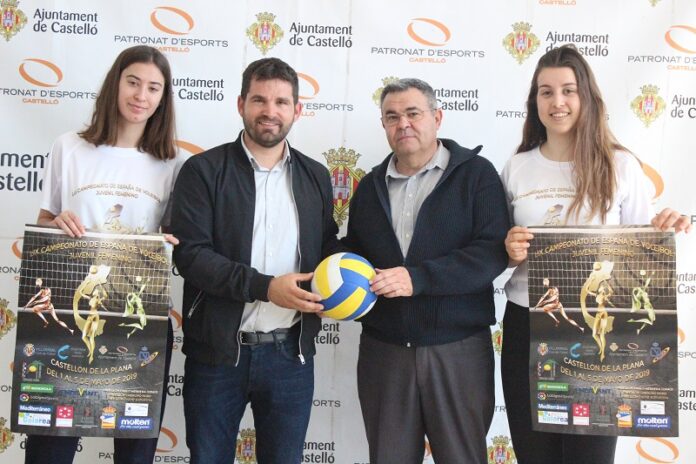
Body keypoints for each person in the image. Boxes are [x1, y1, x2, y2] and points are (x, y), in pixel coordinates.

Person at [501, 44, 692, 464]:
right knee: (534, 455)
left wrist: (662, 228)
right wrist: (509, 252)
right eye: (546, 92)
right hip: (527, 324)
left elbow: (641, 256)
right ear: (535, 101)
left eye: (568, 90)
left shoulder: (620, 166)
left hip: (598, 325)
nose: (558, 101)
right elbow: (496, 254)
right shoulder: (516, 167)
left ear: (586, 96)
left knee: (590, 457)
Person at [170, 57, 341, 464]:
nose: (270, 111)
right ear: (241, 104)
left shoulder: (316, 176)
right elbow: (191, 255)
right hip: (216, 357)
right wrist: (266, 288)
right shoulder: (203, 170)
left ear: (297, 110)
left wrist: (347, 277)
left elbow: (325, 247)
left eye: (281, 102)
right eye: (259, 100)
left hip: (290, 356)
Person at [28, 45, 185, 464]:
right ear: (115, 83)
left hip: (139, 315)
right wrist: (55, 224)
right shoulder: (69, 147)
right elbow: (43, 222)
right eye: (133, 82)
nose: (141, 95)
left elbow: (177, 239)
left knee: (135, 452)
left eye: (153, 88)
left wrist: (171, 242)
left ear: (163, 98)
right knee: (50, 448)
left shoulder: (173, 163)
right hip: (71, 308)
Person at [342, 78, 510, 463]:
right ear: (383, 125)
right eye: (392, 116)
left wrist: (417, 279)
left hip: (458, 350)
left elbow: (490, 254)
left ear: (437, 117)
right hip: (384, 352)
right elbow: (356, 252)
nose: (403, 123)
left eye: (413, 113)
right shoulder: (369, 187)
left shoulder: (476, 175)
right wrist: (330, 267)